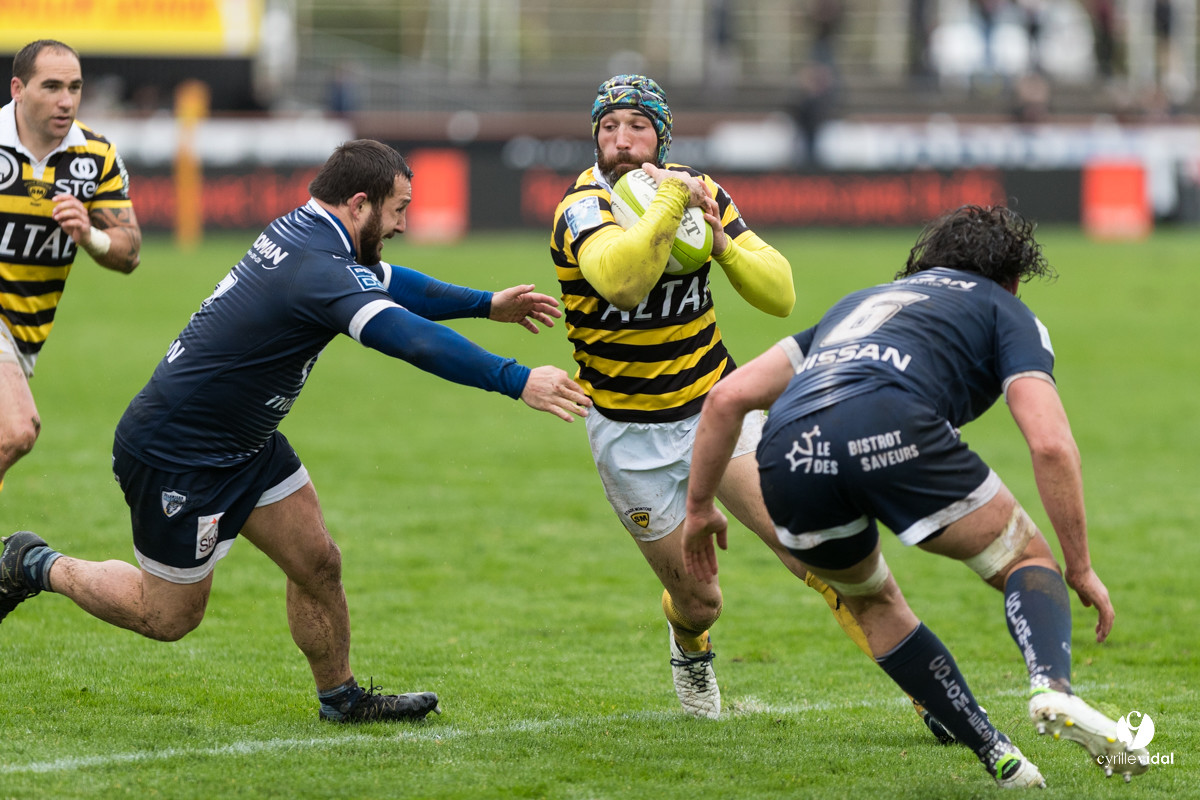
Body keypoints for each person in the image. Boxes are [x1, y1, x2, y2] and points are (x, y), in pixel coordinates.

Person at [0, 139, 591, 723]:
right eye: (398, 210)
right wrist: (515, 379)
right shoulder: (317, 265)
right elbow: (408, 337)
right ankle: (33, 562)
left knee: (317, 560)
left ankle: (341, 699)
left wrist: (486, 304)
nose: (403, 224)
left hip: (247, 441)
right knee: (169, 617)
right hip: (178, 450)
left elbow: (390, 280)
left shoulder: (314, 233)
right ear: (359, 204)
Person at [681, 204, 1152, 787]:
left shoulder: (858, 303)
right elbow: (1051, 444)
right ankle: (1051, 689)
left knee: (873, 604)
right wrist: (1078, 567)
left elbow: (726, 400)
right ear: (1011, 279)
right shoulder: (1007, 310)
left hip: (787, 450)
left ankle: (995, 752)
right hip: (890, 422)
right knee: (1026, 560)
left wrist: (700, 508)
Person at [549, 74, 934, 729]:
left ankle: (929, 694)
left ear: (661, 136)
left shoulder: (703, 193)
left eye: (636, 126)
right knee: (700, 601)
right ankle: (690, 647)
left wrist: (721, 242)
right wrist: (672, 204)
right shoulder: (582, 209)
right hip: (630, 435)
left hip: (718, 410)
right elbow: (622, 282)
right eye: (608, 128)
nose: (620, 140)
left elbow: (780, 293)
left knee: (813, 552)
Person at [0, 39, 142, 492]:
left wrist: (89, 235)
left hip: (27, 333)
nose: (67, 100)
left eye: (75, 87)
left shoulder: (95, 157)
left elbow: (130, 251)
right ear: (18, 88)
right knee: (16, 429)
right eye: (53, 86)